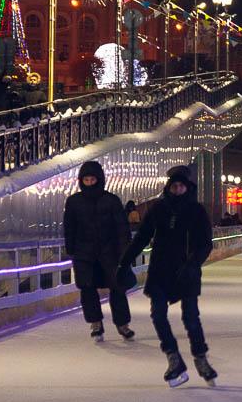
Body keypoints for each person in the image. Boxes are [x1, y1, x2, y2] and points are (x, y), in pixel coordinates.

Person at [121, 166, 215, 386]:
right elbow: (142, 238)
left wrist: (193, 264)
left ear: (188, 187)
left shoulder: (197, 211)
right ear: (169, 187)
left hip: (187, 271)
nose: (177, 189)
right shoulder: (158, 209)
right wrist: (124, 262)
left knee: (191, 318)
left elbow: (205, 244)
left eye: (181, 185)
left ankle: (201, 358)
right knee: (158, 315)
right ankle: (173, 357)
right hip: (161, 271)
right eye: (174, 185)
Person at [64, 160, 134, 343]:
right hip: (84, 254)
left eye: (92, 179)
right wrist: (70, 248)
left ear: (99, 179)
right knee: (87, 289)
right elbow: (69, 227)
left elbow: (122, 228)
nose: (89, 182)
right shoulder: (74, 202)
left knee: (117, 288)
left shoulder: (111, 201)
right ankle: (95, 323)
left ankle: (122, 324)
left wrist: (125, 251)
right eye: (86, 179)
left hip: (109, 253)